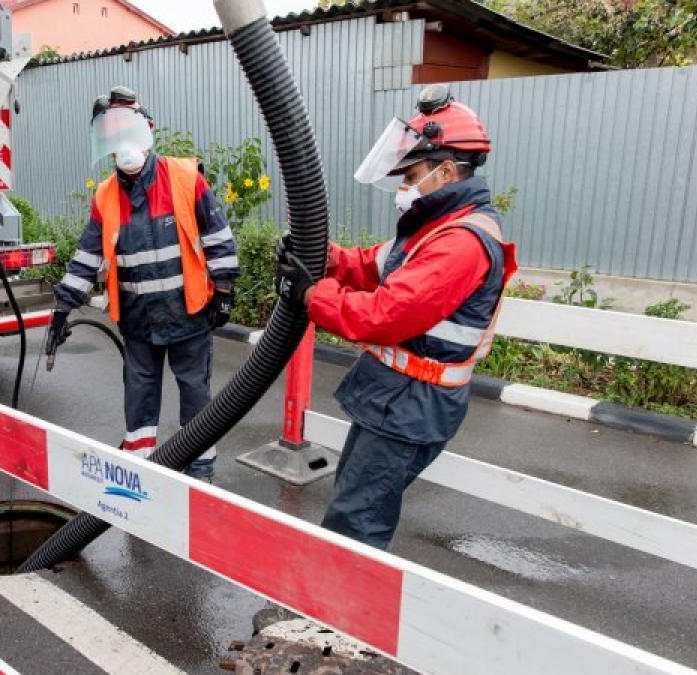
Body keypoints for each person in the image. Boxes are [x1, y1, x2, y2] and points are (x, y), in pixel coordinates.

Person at [276, 85, 518, 550]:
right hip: (396, 400)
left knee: (357, 524)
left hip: (412, 406)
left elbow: (385, 315)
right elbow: (372, 265)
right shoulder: (437, 226)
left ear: (447, 171)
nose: (405, 186)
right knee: (353, 509)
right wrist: (322, 255)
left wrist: (311, 293)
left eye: (412, 174)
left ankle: (342, 600)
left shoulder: (460, 243)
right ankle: (340, 593)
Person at [46, 86, 240, 482]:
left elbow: (218, 236)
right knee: (139, 397)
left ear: (147, 130)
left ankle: (199, 470)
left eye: (129, 132)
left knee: (195, 393)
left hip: (188, 314)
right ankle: (142, 471)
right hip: (138, 322)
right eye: (113, 137)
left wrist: (223, 291)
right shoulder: (105, 196)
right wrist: (62, 308)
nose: (123, 144)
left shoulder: (185, 177)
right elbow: (87, 257)